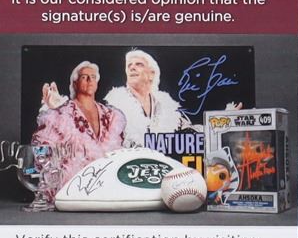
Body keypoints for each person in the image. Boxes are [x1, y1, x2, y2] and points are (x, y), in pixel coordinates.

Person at [31, 61, 126, 203]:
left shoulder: (111, 115)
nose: (89, 80)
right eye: (84, 77)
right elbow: (42, 153)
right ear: (75, 83)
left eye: (93, 77)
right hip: (72, 189)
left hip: (106, 189)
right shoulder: (60, 114)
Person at [104, 49, 190, 148]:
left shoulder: (167, 106)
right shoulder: (114, 106)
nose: (132, 67)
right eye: (129, 65)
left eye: (139, 64)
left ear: (152, 74)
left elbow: (190, 131)